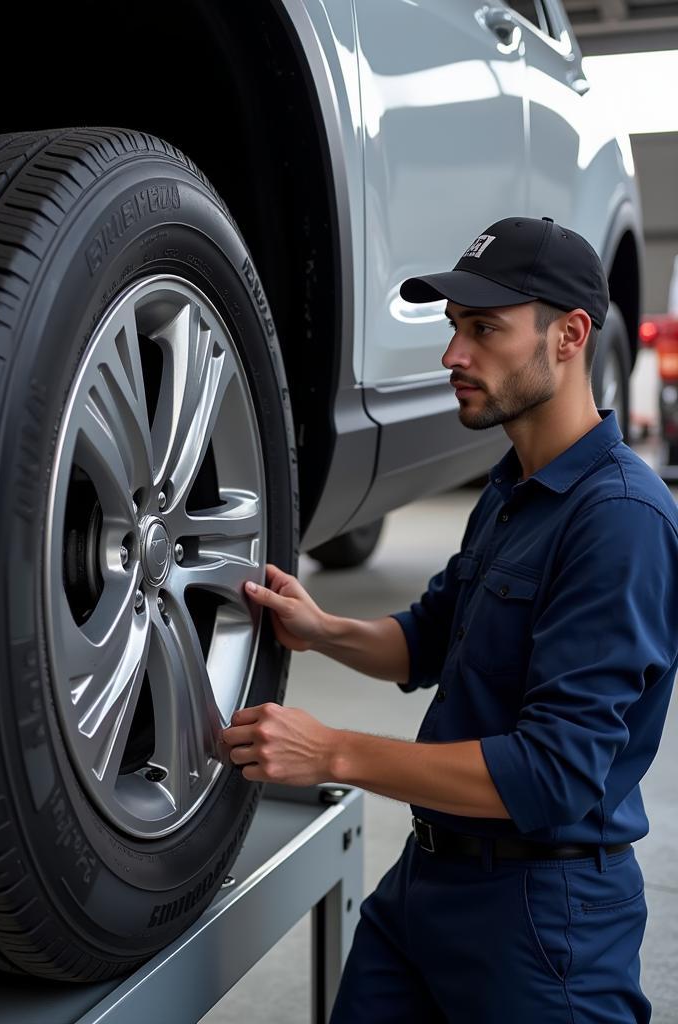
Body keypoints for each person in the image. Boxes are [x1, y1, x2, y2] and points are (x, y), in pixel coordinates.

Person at [221, 216, 678, 1023]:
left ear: (570, 335)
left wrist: (330, 750)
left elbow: (553, 772)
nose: (452, 355)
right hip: (423, 889)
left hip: (542, 920)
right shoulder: (511, 488)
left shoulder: (620, 521)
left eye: (484, 330)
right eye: (453, 328)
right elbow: (431, 638)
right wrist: (325, 627)